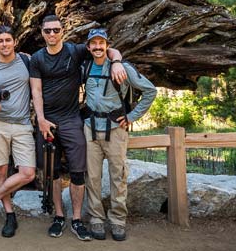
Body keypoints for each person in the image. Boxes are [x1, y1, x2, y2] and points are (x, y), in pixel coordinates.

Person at [30, 15, 126, 241]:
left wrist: (119, 61)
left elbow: (103, 49)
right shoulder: (37, 58)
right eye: (47, 31)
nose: (52, 34)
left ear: (62, 31)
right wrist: (41, 120)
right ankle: (59, 217)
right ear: (42, 33)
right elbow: (36, 91)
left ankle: (76, 219)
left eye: (55, 30)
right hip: (47, 121)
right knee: (52, 173)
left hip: (72, 120)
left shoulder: (75, 51)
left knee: (77, 172)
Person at [81, 28, 157, 242]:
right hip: (90, 127)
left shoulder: (122, 69)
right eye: (93, 43)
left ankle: (117, 221)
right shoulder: (85, 67)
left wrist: (132, 117)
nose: (97, 47)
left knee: (118, 175)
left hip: (116, 128)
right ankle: (96, 218)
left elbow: (150, 91)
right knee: (93, 176)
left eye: (101, 43)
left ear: (107, 45)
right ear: (88, 47)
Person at [0, 25, 34, 238]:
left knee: (27, 173)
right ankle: (10, 215)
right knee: (1, 172)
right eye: (0, 41)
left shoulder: (27, 62)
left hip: (22, 125)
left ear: (14, 42)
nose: (4, 44)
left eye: (8, 40)